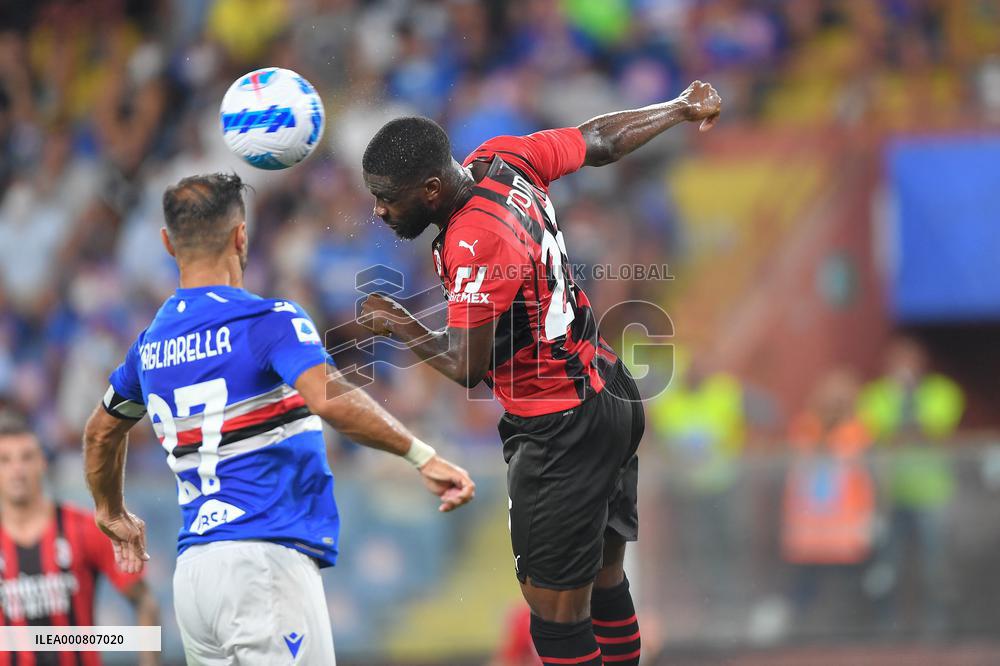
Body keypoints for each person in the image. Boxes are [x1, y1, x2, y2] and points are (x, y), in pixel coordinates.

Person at [358, 80, 722, 665]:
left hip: (559, 427)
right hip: (608, 390)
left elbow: (466, 365)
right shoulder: (504, 158)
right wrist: (678, 108)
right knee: (603, 583)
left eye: (386, 198)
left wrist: (397, 321)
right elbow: (598, 140)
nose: (379, 210)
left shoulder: (476, 239)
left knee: (555, 616)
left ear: (430, 189)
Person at [81, 173, 475, 664]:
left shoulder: (148, 348)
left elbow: (100, 433)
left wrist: (110, 511)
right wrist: (421, 455)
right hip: (263, 560)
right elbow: (330, 399)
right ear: (241, 236)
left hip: (196, 576)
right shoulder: (267, 322)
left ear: (167, 242)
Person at [0, 410, 159, 666]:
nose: (17, 470)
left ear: (43, 462)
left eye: (26, 457)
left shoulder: (82, 528)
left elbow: (143, 599)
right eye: (5, 460)